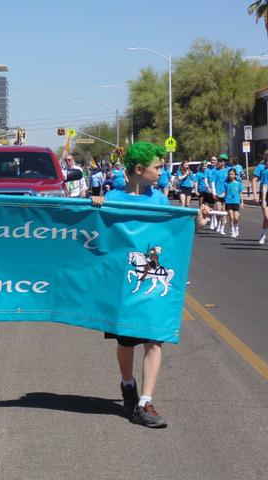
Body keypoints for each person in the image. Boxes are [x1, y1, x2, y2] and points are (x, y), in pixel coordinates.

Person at [91, 141, 207, 429]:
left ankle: (145, 402)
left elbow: (174, 231)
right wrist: (97, 207)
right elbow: (98, 234)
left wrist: (198, 223)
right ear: (140, 170)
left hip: (152, 278)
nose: (162, 170)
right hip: (123, 282)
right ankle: (127, 383)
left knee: (154, 339)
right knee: (125, 341)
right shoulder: (114, 197)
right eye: (157, 167)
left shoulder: (159, 200)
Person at [254, 149, 268, 244]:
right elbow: (254, 180)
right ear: (265, 157)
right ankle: (263, 234)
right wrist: (255, 195)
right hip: (264, 193)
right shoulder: (261, 167)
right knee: (267, 217)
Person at [219, 168, 243, 238]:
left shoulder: (238, 184)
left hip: (236, 202)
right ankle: (232, 231)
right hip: (228, 202)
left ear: (235, 175)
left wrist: (242, 202)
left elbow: (240, 193)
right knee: (231, 217)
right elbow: (225, 193)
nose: (231, 176)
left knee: (236, 218)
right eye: (229, 174)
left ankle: (236, 227)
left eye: (232, 174)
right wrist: (222, 200)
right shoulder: (226, 183)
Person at [211, 154, 230, 235]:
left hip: (226, 194)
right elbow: (212, 182)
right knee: (219, 211)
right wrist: (214, 193)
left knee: (224, 211)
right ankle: (218, 223)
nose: (220, 162)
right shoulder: (215, 171)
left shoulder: (229, 170)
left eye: (222, 161)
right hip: (218, 194)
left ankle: (222, 228)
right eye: (219, 160)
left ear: (225, 162)